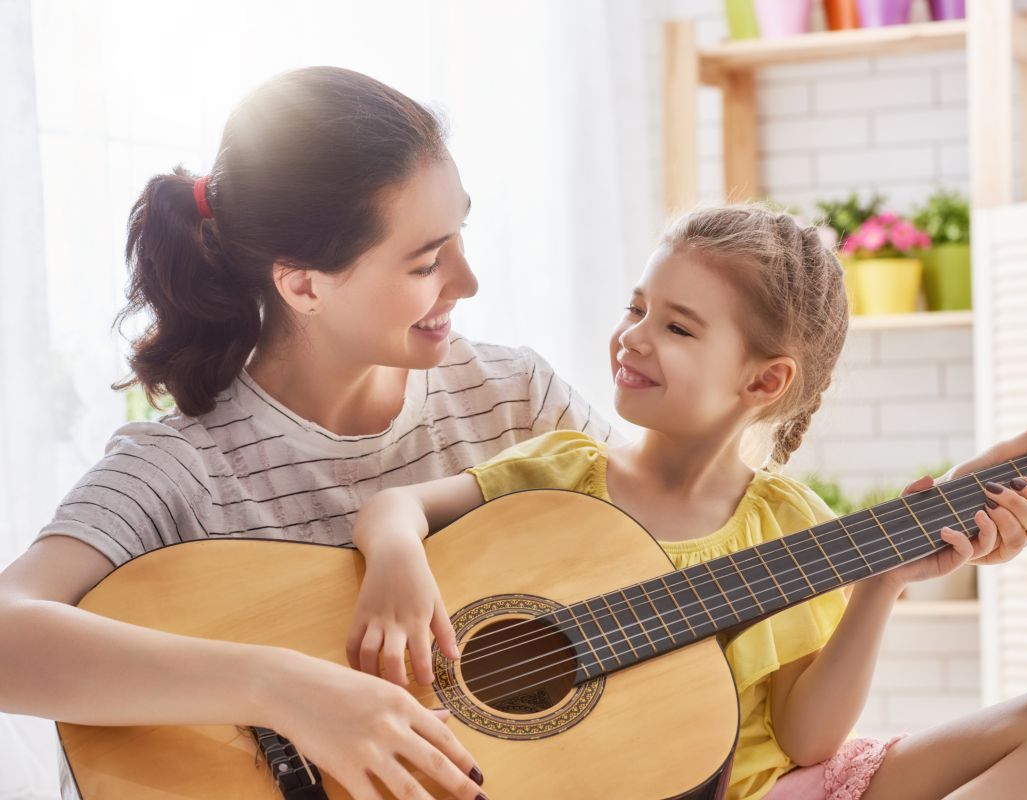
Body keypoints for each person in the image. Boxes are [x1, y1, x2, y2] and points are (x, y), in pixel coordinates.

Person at [346, 204, 1027, 800]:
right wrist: (396, 559)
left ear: (764, 382)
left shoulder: (788, 525)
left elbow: (807, 741)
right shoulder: (565, 473)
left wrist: (881, 583)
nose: (634, 338)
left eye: (677, 327)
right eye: (637, 307)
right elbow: (394, 510)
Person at [0, 66, 621, 800]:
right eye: (426, 260)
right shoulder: (184, 467)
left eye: (460, 236)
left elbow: (671, 535)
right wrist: (281, 689)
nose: (468, 281)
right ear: (302, 286)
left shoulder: (516, 396)